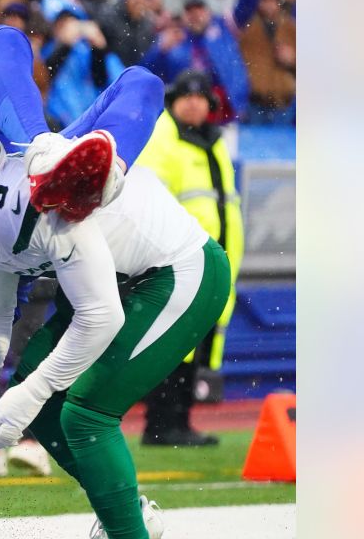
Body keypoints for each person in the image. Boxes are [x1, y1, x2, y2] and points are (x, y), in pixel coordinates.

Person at [0, 96, 230, 539]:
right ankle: (127, 514)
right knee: (45, 409)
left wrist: (32, 391)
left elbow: (100, 316)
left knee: (84, 415)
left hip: (176, 271)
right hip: (114, 281)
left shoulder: (36, 199)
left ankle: (129, 530)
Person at [135, 71, 243, 447]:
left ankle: (179, 422)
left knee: (191, 348)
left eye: (201, 97)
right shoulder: (166, 139)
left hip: (211, 264)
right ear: (174, 101)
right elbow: (152, 200)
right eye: (186, 96)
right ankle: (162, 425)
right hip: (181, 262)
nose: (194, 103)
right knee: (173, 349)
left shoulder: (211, 142)